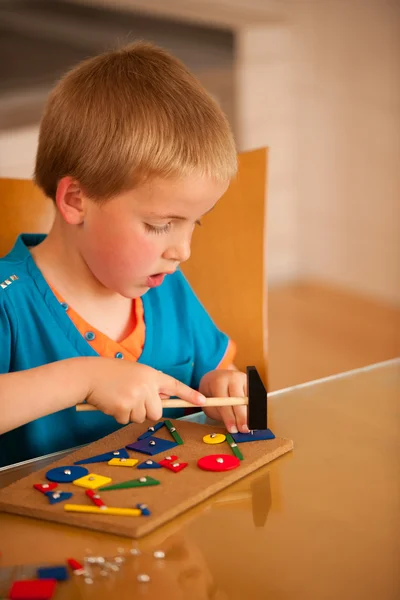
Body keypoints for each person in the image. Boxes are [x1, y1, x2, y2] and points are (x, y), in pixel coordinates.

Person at [0, 42, 249, 468]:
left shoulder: (165, 286)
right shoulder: (9, 300)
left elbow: (215, 367)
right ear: (77, 200)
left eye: (196, 223)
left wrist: (220, 384)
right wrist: (84, 376)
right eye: (159, 225)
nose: (182, 251)